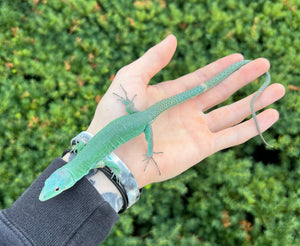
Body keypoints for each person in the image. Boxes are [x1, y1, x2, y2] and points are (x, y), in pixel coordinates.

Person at [0, 35, 285, 245]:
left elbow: (101, 158)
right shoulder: (82, 165)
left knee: (179, 103)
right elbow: (88, 149)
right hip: (134, 116)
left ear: (68, 177)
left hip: (142, 121)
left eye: (56, 185)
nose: (52, 189)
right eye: (56, 184)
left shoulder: (87, 168)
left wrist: (147, 153)